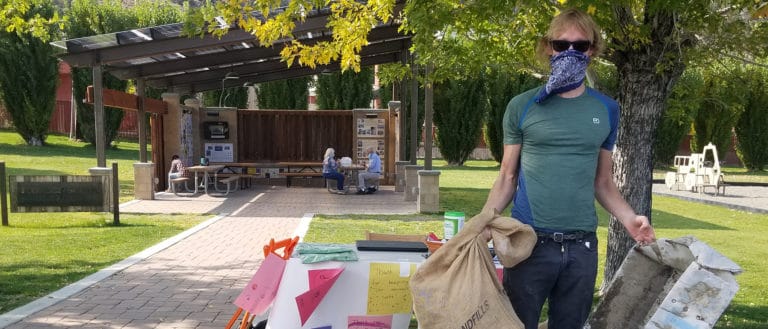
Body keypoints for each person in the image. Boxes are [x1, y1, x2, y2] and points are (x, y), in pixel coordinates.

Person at [481, 8, 656, 329]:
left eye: (580, 45)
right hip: (529, 243)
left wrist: (631, 219)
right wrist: (484, 221)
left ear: (592, 49)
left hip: (582, 247)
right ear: (548, 47)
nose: (570, 52)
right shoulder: (522, 106)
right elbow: (507, 176)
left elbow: (603, 181)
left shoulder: (606, 109)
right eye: (561, 46)